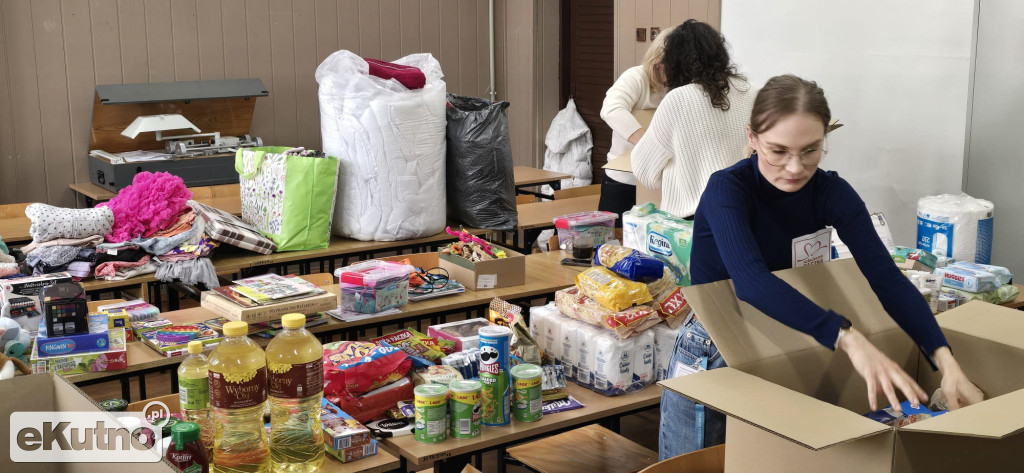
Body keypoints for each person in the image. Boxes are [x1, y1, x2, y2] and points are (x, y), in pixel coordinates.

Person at [658, 74, 984, 460]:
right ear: (751, 138)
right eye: (777, 151)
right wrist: (849, 337)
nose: (795, 168)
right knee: (697, 466)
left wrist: (946, 363)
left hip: (788, 337)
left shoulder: (831, 193)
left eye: (810, 150)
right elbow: (752, 284)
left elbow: (887, 280)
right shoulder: (728, 189)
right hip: (716, 346)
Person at [631, 20, 757, 219]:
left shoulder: (678, 99)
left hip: (693, 222)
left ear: (674, 61)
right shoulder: (752, 91)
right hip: (747, 213)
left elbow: (644, 169)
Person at [598, 25, 676, 222]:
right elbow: (611, 109)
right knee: (616, 246)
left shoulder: (678, 85)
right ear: (658, 62)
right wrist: (648, 144)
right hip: (623, 181)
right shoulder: (635, 77)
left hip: (660, 182)